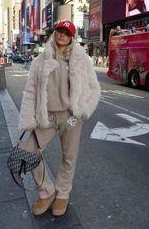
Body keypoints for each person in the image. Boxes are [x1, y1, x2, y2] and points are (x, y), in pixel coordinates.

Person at [18, 20, 101, 216]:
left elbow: (93, 88)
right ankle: (47, 191)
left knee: (69, 157)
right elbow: (30, 90)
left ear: (72, 36)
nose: (61, 35)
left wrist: (81, 111)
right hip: (45, 117)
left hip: (70, 117)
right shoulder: (40, 60)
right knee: (29, 152)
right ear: (54, 33)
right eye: (59, 31)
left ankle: (62, 193)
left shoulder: (81, 59)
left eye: (66, 32)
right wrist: (29, 117)